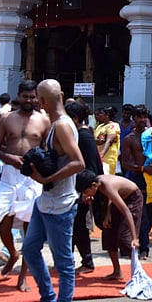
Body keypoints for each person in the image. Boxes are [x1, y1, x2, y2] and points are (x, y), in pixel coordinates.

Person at [21, 79, 85, 302]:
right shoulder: (54, 124)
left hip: (61, 205)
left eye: (38, 98)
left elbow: (78, 162)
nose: (36, 102)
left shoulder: (62, 127)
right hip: (44, 201)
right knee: (29, 249)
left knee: (65, 265)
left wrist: (47, 178)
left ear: (45, 100)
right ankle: (48, 301)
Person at [0, 80, 47, 291]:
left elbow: (47, 149)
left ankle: (23, 274)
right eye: (25, 96)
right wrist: (10, 158)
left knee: (29, 228)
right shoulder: (6, 119)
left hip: (32, 177)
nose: (29, 100)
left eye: (33, 97)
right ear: (19, 96)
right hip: (9, 174)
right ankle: (12, 253)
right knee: (2, 222)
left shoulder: (43, 121)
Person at [76, 170, 140, 281]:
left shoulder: (107, 186)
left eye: (86, 191)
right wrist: (108, 213)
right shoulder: (98, 183)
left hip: (132, 199)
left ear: (93, 186)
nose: (85, 195)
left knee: (124, 238)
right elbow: (111, 197)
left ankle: (138, 272)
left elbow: (126, 211)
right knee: (108, 233)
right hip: (117, 199)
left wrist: (134, 238)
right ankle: (117, 271)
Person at [66, 101, 104, 274]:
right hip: (78, 185)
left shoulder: (84, 136)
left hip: (84, 187)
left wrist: (86, 190)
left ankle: (87, 262)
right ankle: (70, 259)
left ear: (74, 119)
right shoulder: (80, 135)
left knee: (79, 225)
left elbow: (90, 166)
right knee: (74, 225)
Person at [120, 104, 152, 260]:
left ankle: (141, 241)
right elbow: (125, 163)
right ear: (134, 118)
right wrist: (143, 169)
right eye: (139, 117)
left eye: (144, 117)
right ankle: (143, 248)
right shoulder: (130, 139)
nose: (142, 120)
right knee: (141, 215)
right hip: (137, 178)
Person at [94, 106, 120, 175]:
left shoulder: (113, 126)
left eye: (101, 113)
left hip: (107, 158)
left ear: (107, 115)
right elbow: (100, 139)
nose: (99, 115)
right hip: (99, 157)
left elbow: (108, 141)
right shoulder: (100, 126)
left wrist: (102, 154)